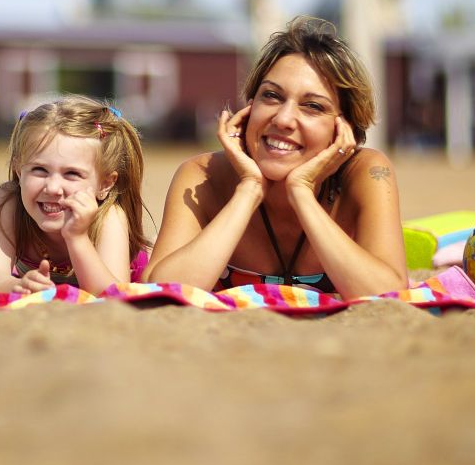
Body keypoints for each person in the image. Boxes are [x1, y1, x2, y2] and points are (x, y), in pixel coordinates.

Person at [144, 16, 406, 298]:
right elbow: (161, 290)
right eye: (272, 96)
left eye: (313, 106)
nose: (283, 119)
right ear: (250, 107)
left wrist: (301, 191)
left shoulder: (365, 173)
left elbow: (387, 294)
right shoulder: (202, 176)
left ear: (344, 128)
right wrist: (249, 189)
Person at [0, 95, 150, 297]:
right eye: (39, 170)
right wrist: (16, 285)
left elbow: (111, 292)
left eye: (72, 174)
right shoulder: (11, 201)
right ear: (20, 170)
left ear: (105, 184)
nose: (53, 188)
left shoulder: (109, 216)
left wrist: (77, 238)